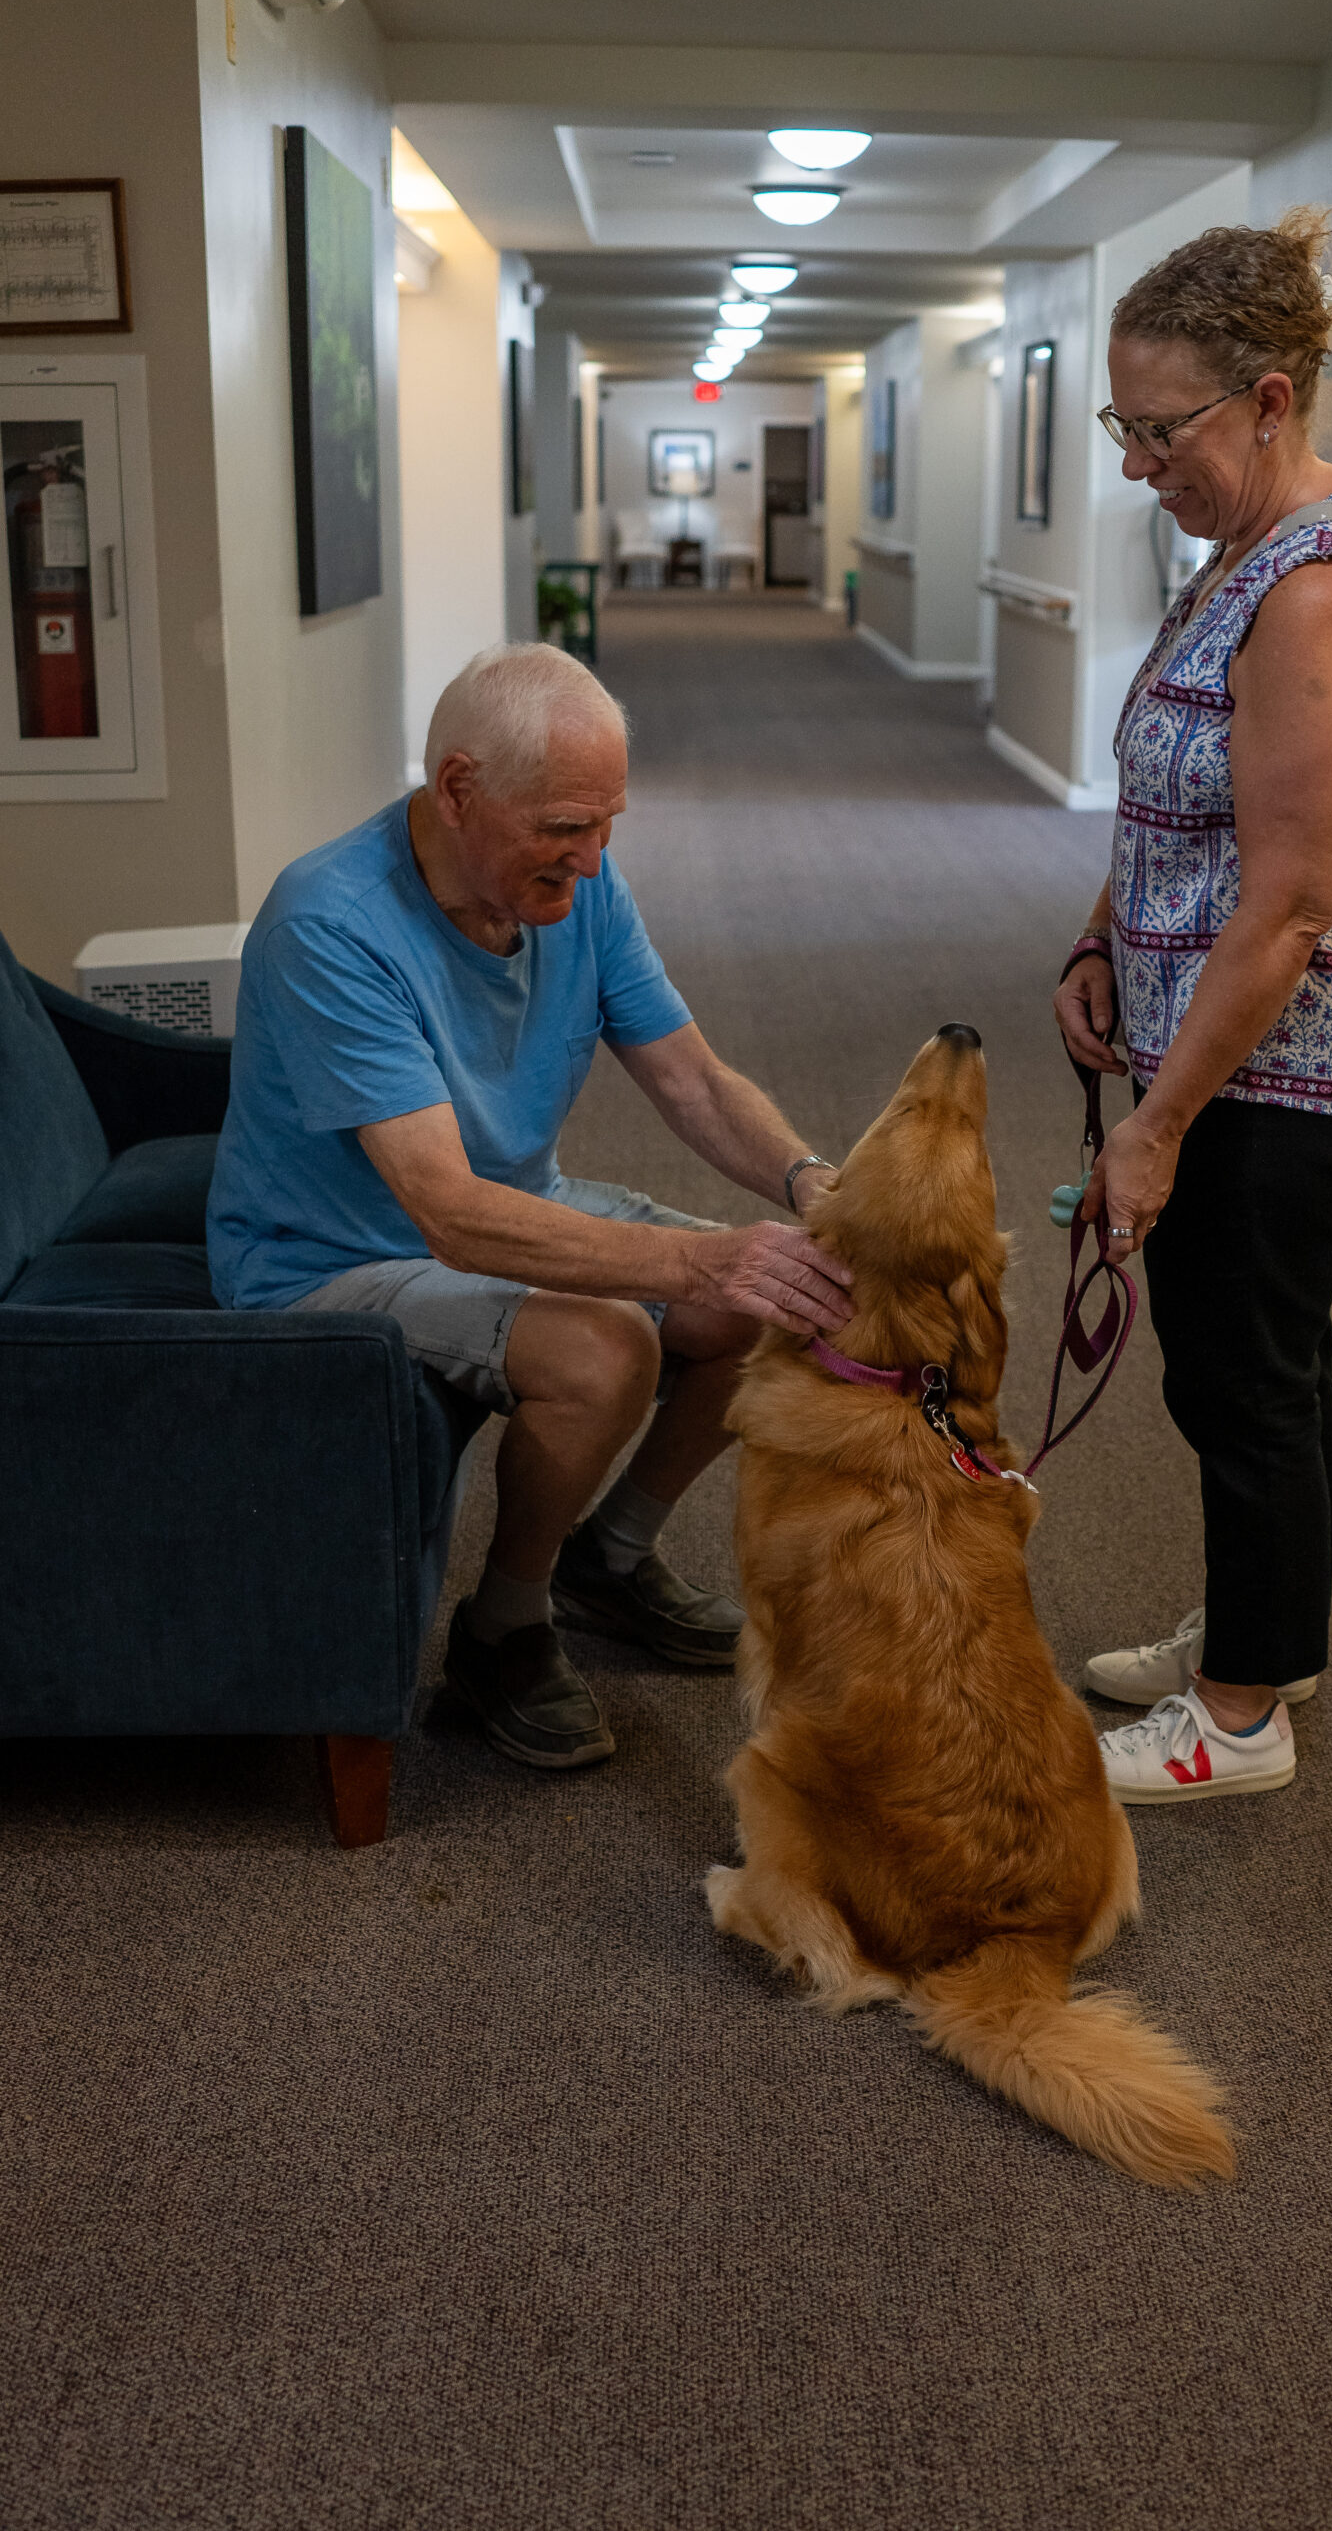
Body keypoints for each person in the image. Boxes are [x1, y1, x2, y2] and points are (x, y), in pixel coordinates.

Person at [208, 643, 851, 1772]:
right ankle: (503, 1630)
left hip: (511, 1202)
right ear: (459, 790)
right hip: (333, 1257)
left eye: (609, 824)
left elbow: (692, 1077)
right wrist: (692, 1265)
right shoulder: (333, 921)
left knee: (774, 1295)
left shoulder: (574, 886)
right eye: (567, 827)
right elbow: (449, 1216)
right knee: (611, 1348)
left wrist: (810, 1182)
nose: (595, 861)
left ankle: (615, 1554)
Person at [1054, 208, 1332, 1806]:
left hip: (1287, 1074)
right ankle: (1266, 1636)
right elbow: (1176, 801)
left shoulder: (1314, 595)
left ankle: (1236, 1721)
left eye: (1165, 428)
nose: (1142, 461)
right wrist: (1099, 939)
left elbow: (1286, 904)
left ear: (1271, 400)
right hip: (1219, 1050)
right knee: (1262, 1360)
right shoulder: (1242, 548)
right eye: (1120, 426)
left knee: (1238, 1371)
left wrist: (1151, 1130)